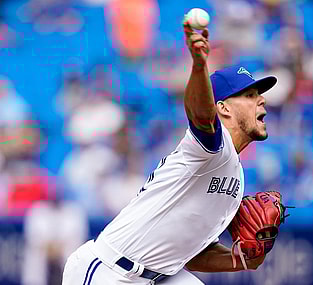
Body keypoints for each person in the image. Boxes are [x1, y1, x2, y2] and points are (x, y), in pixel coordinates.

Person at [62, 18, 277, 285]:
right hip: (109, 271)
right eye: (249, 95)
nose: (262, 99)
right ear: (222, 107)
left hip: (161, 276)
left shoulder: (236, 174)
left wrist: (241, 260)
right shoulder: (211, 146)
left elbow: (192, 254)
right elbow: (199, 114)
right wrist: (199, 67)